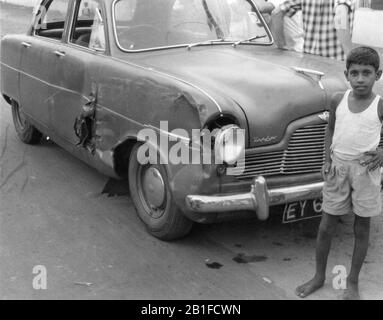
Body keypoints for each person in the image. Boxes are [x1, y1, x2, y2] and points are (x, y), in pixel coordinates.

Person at [296, 46, 383, 300]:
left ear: (378, 75)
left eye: (366, 73)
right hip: (338, 168)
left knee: (362, 227)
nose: (360, 79)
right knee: (326, 226)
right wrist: (326, 159)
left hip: (366, 172)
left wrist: (381, 151)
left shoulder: (379, 106)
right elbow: (330, 130)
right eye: (354, 73)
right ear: (346, 74)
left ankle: (352, 281)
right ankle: (319, 276)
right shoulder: (337, 100)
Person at [275, 0, 356, 60]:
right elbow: (340, 17)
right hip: (334, 61)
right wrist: (350, 58)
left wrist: (281, 45)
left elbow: (276, 12)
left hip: (308, 60)